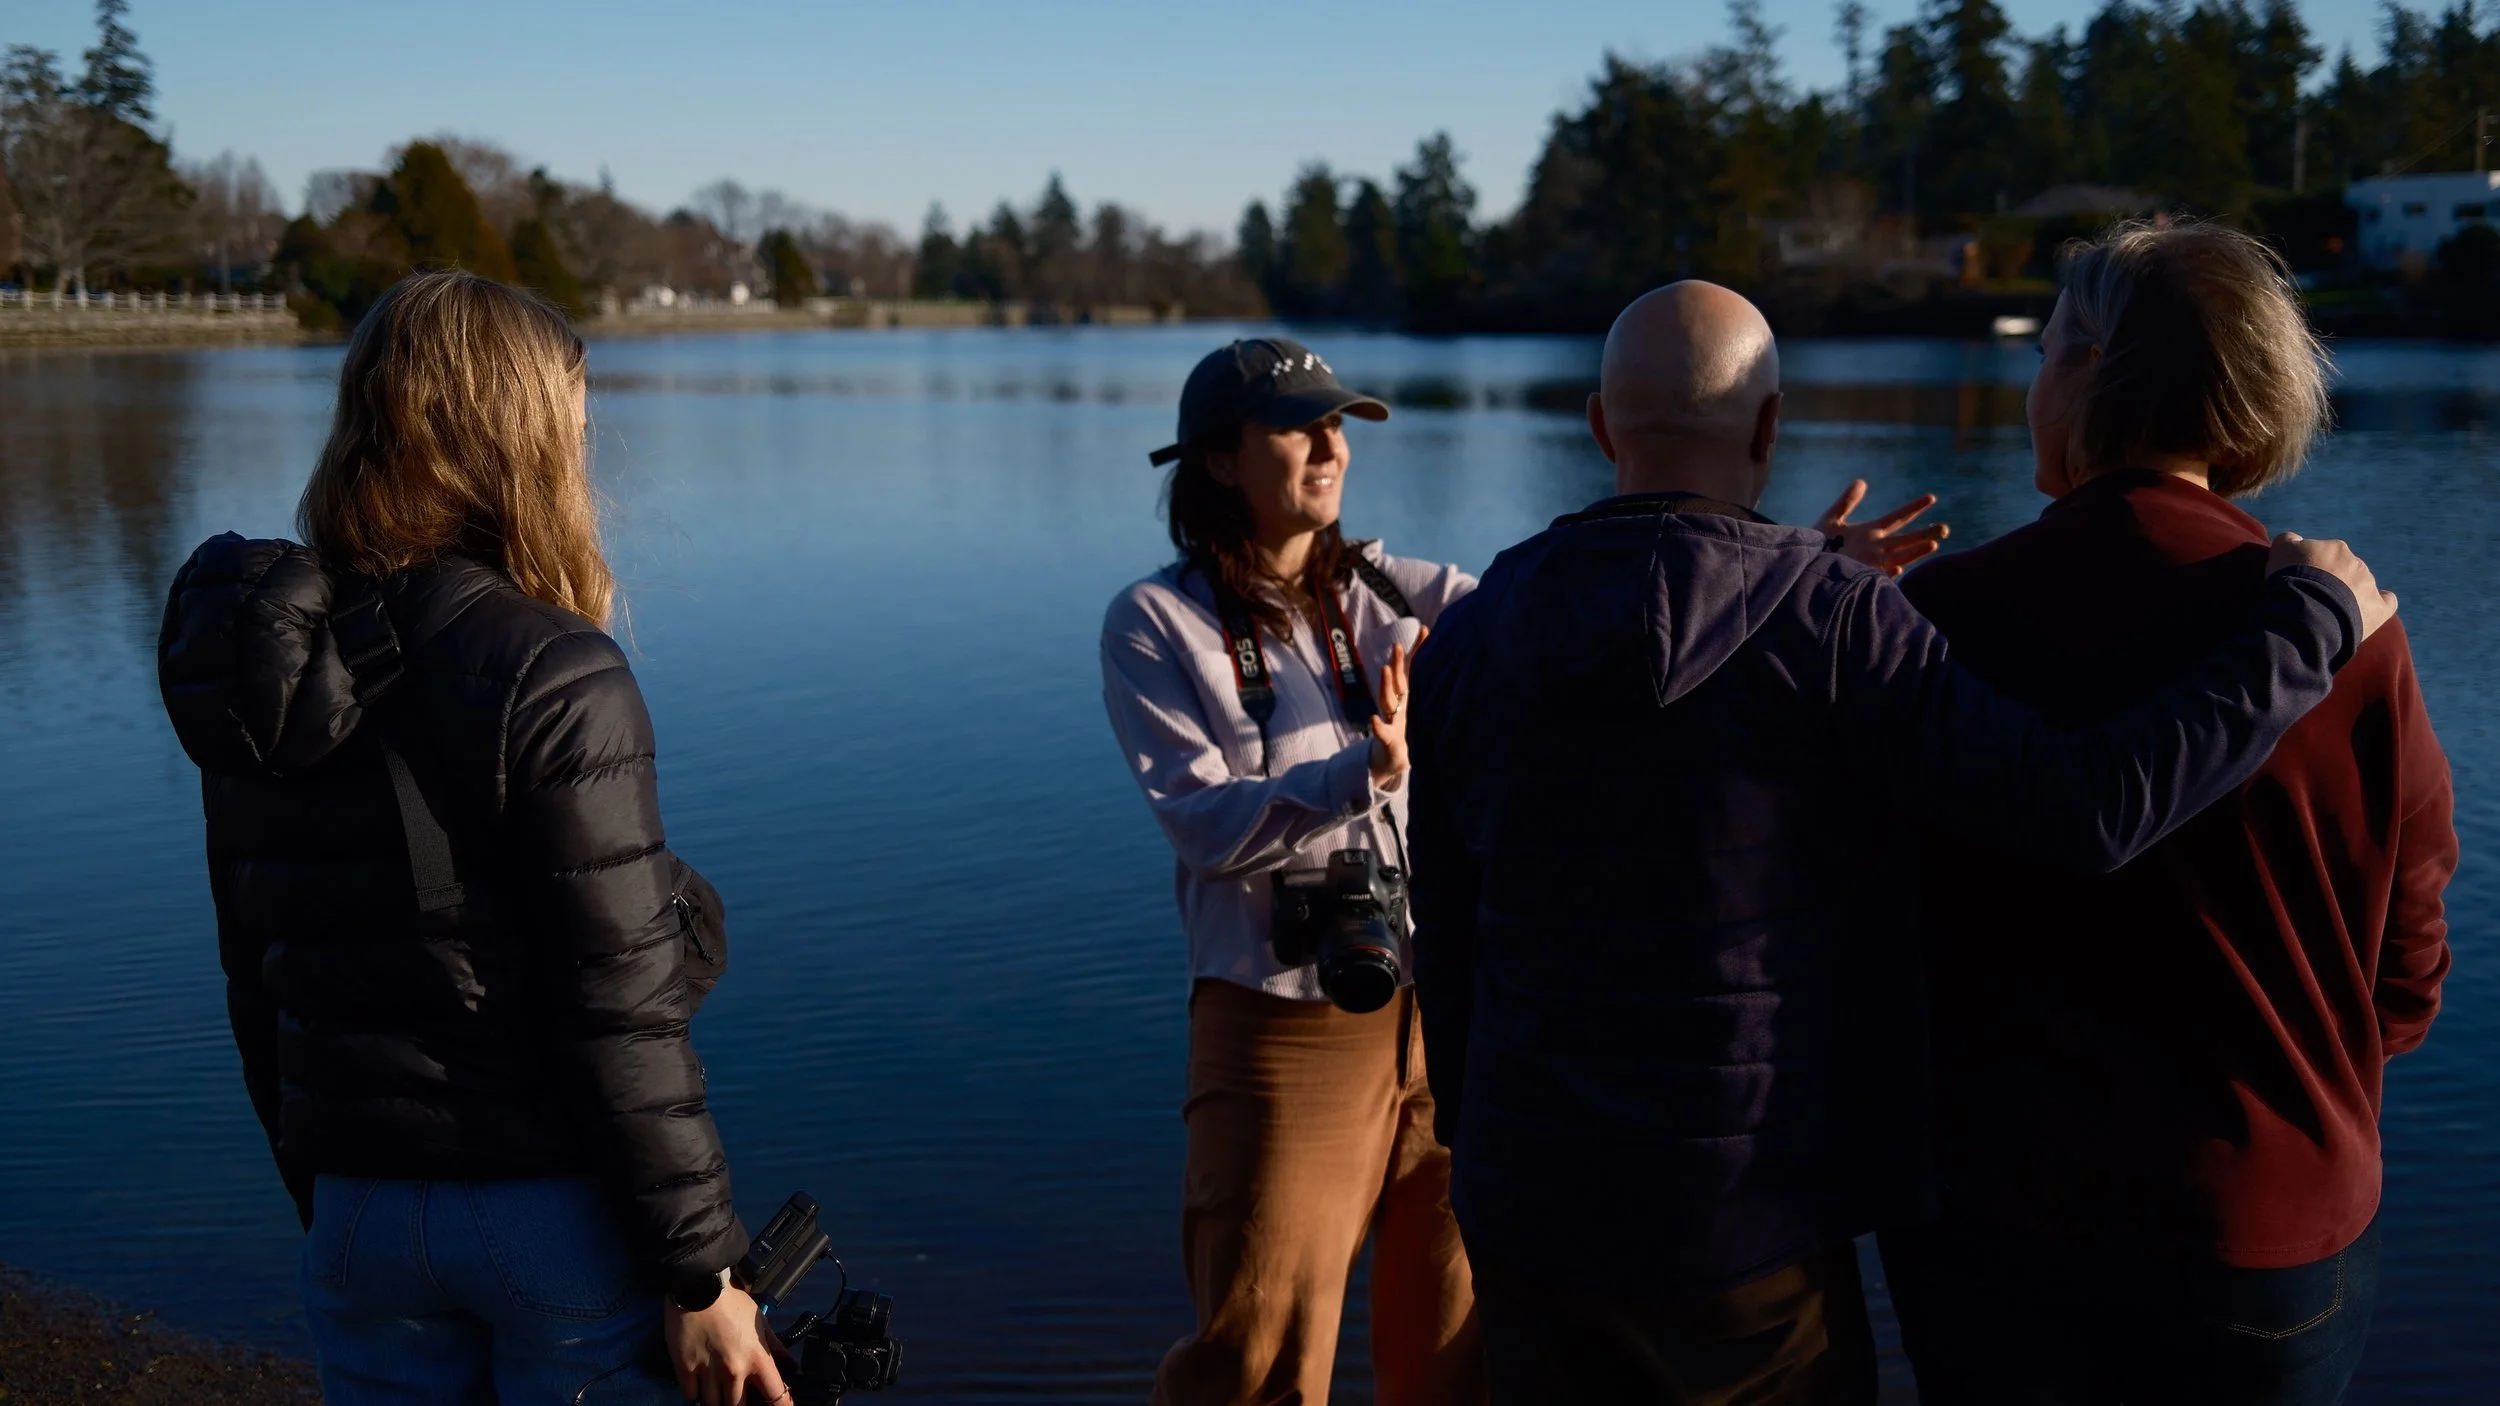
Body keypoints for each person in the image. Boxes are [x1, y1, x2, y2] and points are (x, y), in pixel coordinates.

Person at [1403, 280, 2397, 1406]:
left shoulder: (1465, 641)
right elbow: (2085, 808)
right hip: (1748, 1220)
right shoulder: (1832, 621)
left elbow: (1448, 950)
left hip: (1531, 1205)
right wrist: (2303, 627)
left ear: (1597, 424)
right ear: (1771, 426)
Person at [157, 270, 784, 1406]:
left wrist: (328, 1187)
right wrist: (704, 1271)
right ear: (517, 436)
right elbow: (621, 1010)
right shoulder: (553, 668)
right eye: (575, 418)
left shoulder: (258, 661)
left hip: (355, 1206)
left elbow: (254, 973)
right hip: (540, 1209)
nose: (588, 446)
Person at [1882, 222, 2455, 1405]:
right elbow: (2404, 967)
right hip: (2268, 1224)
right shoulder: (2349, 624)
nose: (2031, 382)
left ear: (2090, 367)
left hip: (2000, 1213)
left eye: (2045, 352)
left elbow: (1862, 908)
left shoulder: (1940, 614)